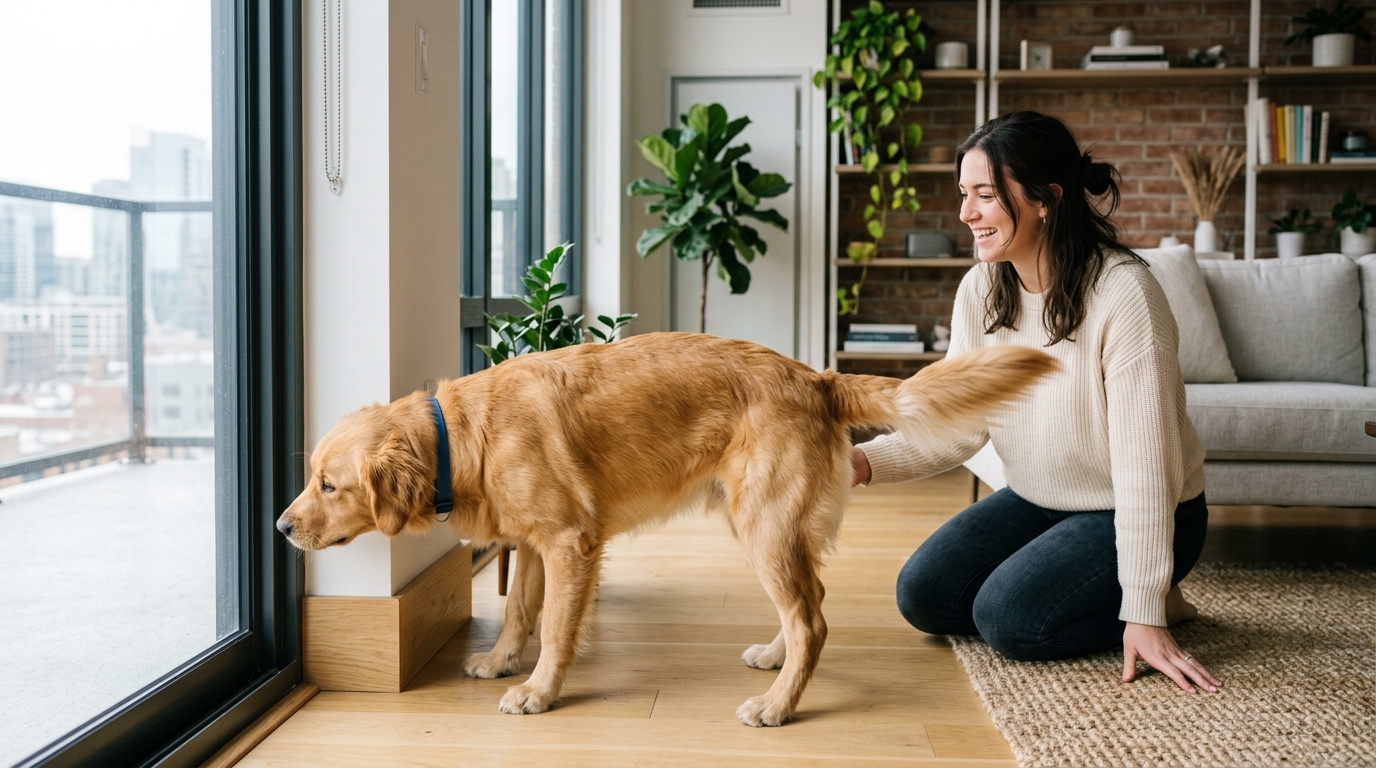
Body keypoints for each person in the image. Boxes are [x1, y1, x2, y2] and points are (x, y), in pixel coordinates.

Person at [852, 111, 1222, 695]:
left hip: (1138, 509)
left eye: (985, 196)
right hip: (1038, 498)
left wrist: (1144, 607)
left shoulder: (1125, 293)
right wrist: (862, 462)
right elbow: (959, 424)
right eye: (964, 195)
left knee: (1010, 620)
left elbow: (1145, 466)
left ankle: (1162, 601)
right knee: (923, 596)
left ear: (1046, 199)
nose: (965, 214)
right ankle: (1088, 584)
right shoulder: (982, 287)